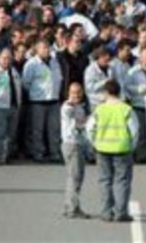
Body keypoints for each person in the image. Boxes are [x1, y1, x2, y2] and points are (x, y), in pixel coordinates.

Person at [87, 80, 139, 222]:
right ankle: (121, 212)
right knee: (122, 181)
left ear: (106, 92)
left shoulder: (99, 109)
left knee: (105, 180)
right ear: (119, 92)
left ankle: (106, 212)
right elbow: (134, 131)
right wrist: (131, 147)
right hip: (122, 148)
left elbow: (90, 128)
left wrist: (95, 144)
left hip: (102, 149)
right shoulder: (126, 109)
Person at [22, 40, 64, 162]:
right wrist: (35, 93)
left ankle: (54, 153)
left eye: (48, 47)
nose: (46, 50)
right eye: (43, 48)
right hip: (38, 101)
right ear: (37, 49)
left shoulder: (55, 62)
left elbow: (59, 78)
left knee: (54, 129)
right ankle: (38, 153)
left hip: (53, 100)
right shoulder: (32, 64)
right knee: (37, 130)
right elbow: (26, 83)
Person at [60, 82, 90, 219]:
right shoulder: (68, 107)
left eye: (78, 92)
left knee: (76, 177)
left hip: (79, 143)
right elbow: (77, 124)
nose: (76, 95)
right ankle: (71, 209)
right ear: (68, 93)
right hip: (72, 144)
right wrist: (89, 121)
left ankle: (73, 206)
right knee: (74, 177)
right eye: (73, 92)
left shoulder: (80, 107)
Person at [0, 48, 22, 164]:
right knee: (0, 133)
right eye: (4, 58)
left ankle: (6, 156)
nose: (7, 61)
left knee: (11, 133)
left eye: (9, 58)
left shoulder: (14, 71)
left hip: (13, 105)